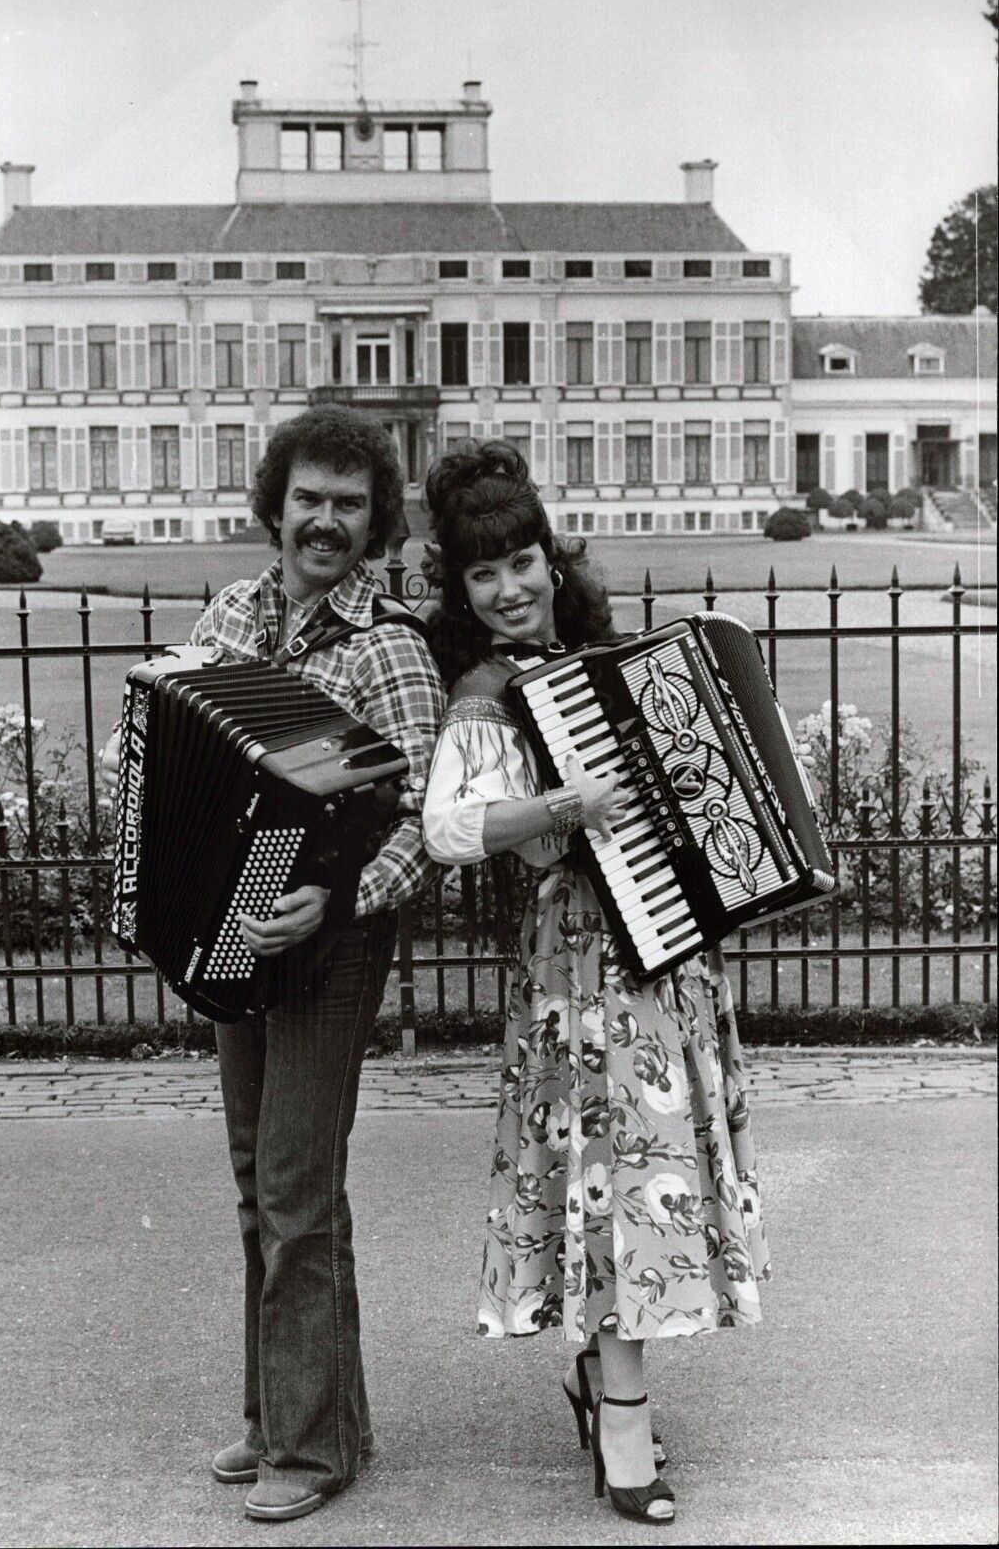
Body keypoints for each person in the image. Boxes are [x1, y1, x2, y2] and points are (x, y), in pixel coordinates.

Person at [102, 406, 445, 1523]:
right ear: (276, 504)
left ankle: (310, 1445)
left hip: (333, 945)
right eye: (309, 499)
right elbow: (167, 743)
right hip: (238, 932)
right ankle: (296, 1414)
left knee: (298, 1192)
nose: (326, 522)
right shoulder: (231, 615)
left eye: (350, 505)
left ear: (376, 519)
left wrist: (336, 897)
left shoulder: (388, 643)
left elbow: (428, 819)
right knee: (264, 1185)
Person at [420, 442, 769, 1526]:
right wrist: (561, 808)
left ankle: (607, 1380)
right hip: (575, 966)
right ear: (463, 590)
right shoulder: (485, 698)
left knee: (651, 1167)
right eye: (484, 575)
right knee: (610, 1176)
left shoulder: (612, 663)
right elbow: (446, 830)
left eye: (521, 562)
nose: (510, 588)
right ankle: (622, 1415)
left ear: (549, 560)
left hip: (667, 961)